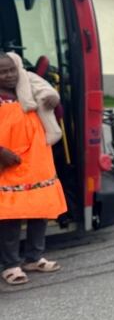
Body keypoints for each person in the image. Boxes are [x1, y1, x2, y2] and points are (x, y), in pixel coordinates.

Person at [0, 51, 66, 286]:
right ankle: (10, 264)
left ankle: (34, 257)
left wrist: (53, 99)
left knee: (40, 210)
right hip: (8, 162)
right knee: (9, 216)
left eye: (11, 70)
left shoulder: (28, 86)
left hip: (37, 159)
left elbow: (51, 104)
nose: (8, 75)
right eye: (2, 72)